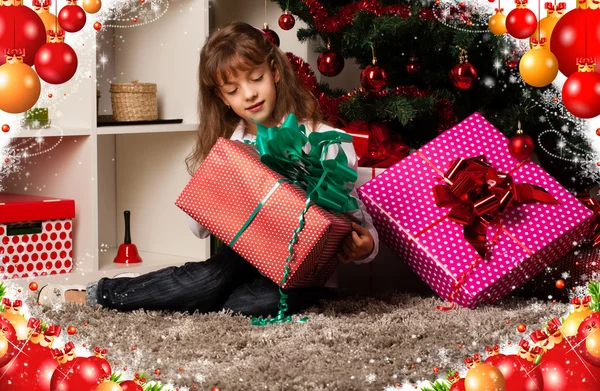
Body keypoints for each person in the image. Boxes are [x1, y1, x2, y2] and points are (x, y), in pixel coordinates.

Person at [38, 22, 379, 318]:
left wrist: (367, 247)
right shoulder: (230, 147)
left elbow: (357, 215)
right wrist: (217, 186)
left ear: (274, 71)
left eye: (256, 78)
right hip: (239, 260)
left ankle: (208, 298)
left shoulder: (325, 139)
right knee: (206, 279)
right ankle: (97, 295)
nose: (249, 94)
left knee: (245, 306)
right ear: (222, 97)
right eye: (233, 90)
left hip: (301, 271)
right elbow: (198, 230)